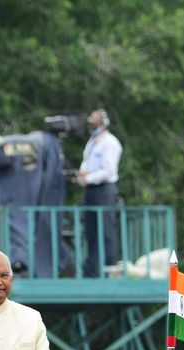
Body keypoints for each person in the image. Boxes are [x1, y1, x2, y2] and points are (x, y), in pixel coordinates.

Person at [76, 109, 122, 278]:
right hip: (91, 190)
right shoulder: (91, 142)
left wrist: (88, 178)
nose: (91, 122)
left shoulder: (111, 143)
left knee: (106, 230)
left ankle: (111, 269)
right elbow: (86, 163)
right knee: (91, 231)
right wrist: (81, 176)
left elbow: (108, 171)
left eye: (94, 119)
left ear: (103, 122)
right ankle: (92, 270)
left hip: (105, 190)